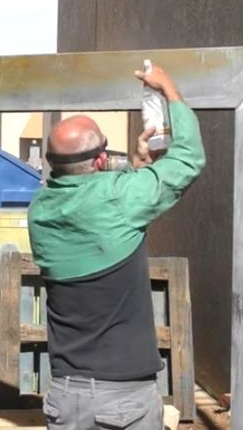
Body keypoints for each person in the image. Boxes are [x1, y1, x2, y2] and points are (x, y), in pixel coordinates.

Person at [27, 64, 206, 430]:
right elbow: (188, 159)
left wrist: (137, 166)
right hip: (123, 403)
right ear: (100, 161)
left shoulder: (40, 213)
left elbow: (90, 200)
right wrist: (169, 89)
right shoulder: (121, 200)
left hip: (65, 399)